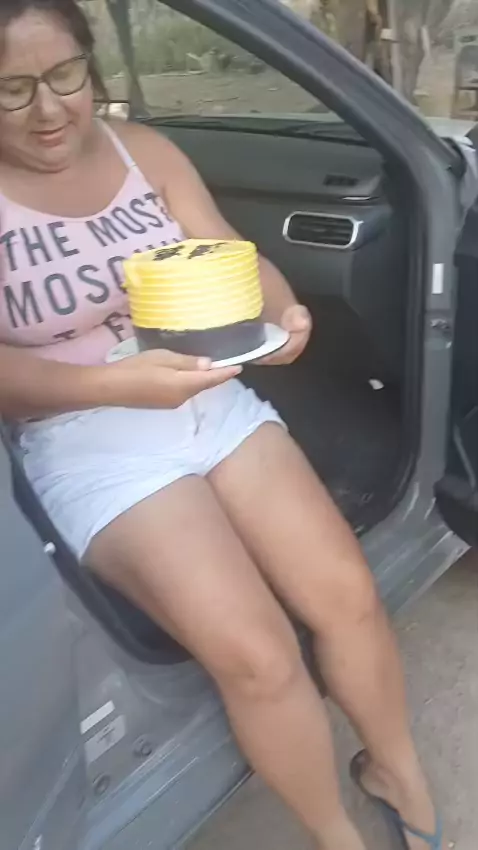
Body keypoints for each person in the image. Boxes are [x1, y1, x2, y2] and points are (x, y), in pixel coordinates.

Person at [0, 2, 443, 849]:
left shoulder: (145, 152)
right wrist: (113, 385)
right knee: (257, 654)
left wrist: (283, 308)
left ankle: (400, 778)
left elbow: (233, 253)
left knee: (345, 594)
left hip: (208, 399)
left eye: (63, 76)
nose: (48, 109)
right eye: (11, 90)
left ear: (89, 66)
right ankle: (337, 836)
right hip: (84, 435)